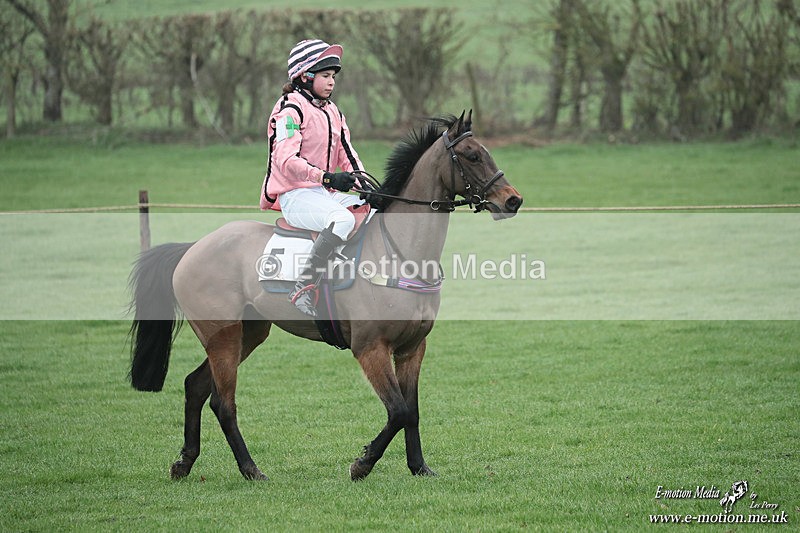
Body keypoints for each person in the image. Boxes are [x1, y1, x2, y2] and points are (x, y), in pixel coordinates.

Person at [260, 39, 365, 317]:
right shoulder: (289, 109)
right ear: (305, 76)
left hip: (323, 194)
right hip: (295, 195)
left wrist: (367, 186)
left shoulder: (333, 111)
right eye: (325, 76)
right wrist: (327, 178)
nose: (331, 83)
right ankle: (303, 286)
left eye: (333, 77)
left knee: (376, 209)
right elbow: (285, 160)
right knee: (342, 219)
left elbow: (348, 156)